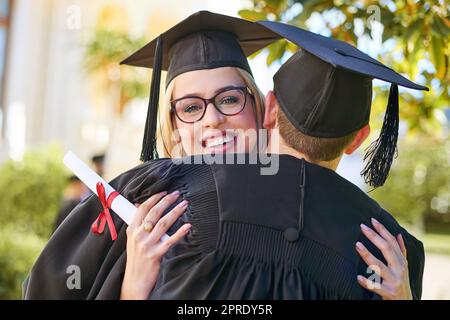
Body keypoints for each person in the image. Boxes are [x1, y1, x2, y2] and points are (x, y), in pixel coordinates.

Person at [23, 12, 422, 300]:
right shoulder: (139, 200)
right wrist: (133, 283)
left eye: (229, 99)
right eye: (192, 108)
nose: (213, 121)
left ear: (263, 107)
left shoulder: (383, 250)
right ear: (171, 123)